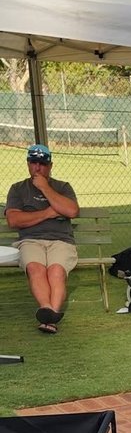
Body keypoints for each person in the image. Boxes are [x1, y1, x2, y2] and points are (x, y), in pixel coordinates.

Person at [4, 143, 79, 334]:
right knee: (35, 268)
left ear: (50, 165)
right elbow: (14, 220)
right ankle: (49, 311)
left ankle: (49, 316)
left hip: (61, 241)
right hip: (30, 240)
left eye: (42, 164)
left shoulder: (62, 187)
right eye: (33, 162)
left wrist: (45, 188)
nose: (38, 167)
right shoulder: (18, 189)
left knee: (56, 271)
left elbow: (71, 210)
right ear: (28, 164)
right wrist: (47, 213)